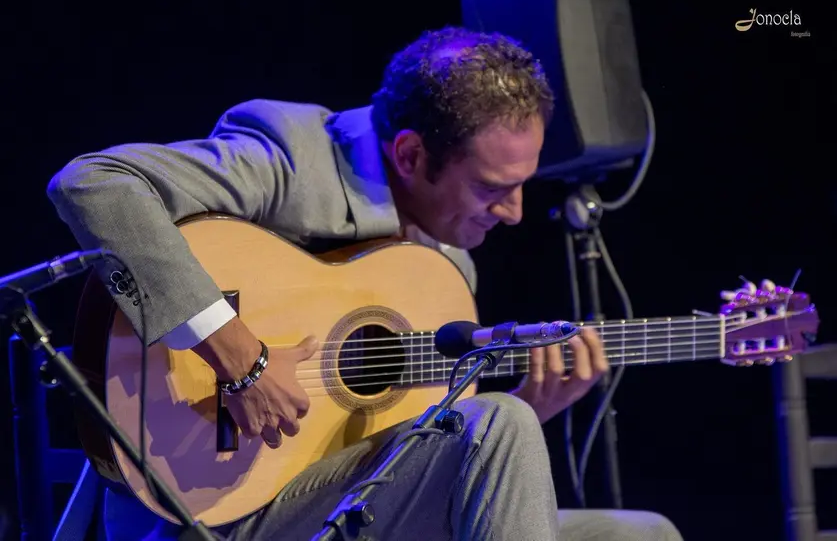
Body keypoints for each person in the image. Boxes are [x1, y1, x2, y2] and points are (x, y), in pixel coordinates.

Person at [47, 27, 683, 541]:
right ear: (409, 155)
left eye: (522, 185)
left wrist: (529, 410)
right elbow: (93, 184)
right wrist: (237, 352)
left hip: (352, 503)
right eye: (492, 187)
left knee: (641, 533)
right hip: (215, 505)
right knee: (502, 422)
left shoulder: (448, 265)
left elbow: (407, 442)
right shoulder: (293, 160)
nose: (515, 212)